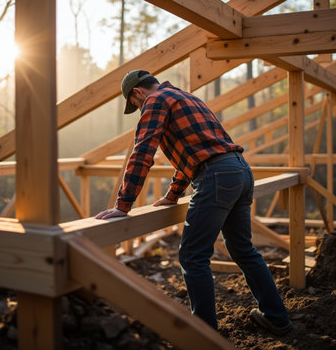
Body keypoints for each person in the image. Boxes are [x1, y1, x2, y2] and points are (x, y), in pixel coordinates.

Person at [96, 70, 292, 334]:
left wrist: (123, 204)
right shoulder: (186, 97)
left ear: (137, 93)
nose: (140, 108)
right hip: (240, 171)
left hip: (217, 176)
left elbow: (143, 150)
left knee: (192, 256)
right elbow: (196, 151)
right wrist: (173, 194)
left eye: (136, 105)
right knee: (243, 249)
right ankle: (277, 317)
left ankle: (204, 336)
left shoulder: (154, 102)